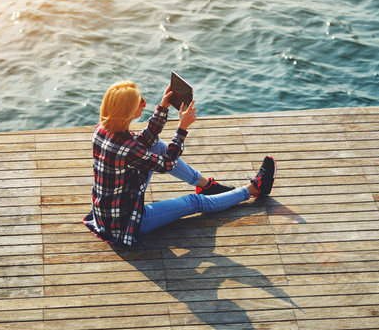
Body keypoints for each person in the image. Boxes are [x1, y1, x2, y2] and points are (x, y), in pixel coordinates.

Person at [83, 80, 276, 246]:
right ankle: (254, 189)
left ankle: (207, 186)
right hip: (125, 222)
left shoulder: (102, 130)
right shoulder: (129, 149)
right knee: (194, 202)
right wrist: (182, 128)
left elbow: (143, 142)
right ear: (128, 112)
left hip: (108, 210)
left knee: (157, 145)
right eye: (140, 102)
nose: (143, 104)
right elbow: (167, 164)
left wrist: (163, 107)